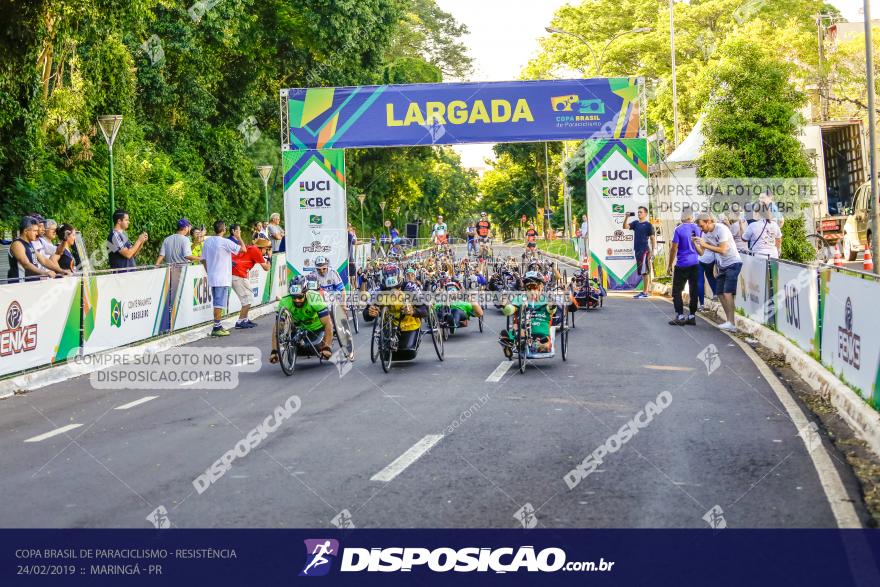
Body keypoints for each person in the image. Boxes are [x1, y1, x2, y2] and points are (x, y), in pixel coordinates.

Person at [363, 264, 428, 361]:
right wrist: (370, 312)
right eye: (389, 290)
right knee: (385, 356)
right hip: (389, 326)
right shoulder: (378, 290)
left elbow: (425, 310)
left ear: (400, 281)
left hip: (409, 324)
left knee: (408, 352)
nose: (393, 292)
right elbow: (366, 315)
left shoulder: (410, 288)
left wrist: (413, 311)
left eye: (397, 288)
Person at [694, 212, 742, 332]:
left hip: (733, 262)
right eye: (699, 227)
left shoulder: (721, 229)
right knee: (719, 292)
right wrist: (695, 244)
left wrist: (705, 244)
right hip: (722, 265)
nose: (700, 229)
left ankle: (732, 323)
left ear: (708, 222)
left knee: (727, 293)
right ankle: (729, 321)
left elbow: (723, 250)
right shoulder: (705, 234)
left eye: (701, 226)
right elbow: (702, 253)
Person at [269, 276, 334, 364]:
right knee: (301, 348)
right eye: (294, 297)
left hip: (317, 329)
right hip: (298, 329)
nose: (297, 300)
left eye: (300, 297)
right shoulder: (285, 302)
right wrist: (274, 350)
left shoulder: (315, 298)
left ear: (306, 293)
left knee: (317, 348)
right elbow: (277, 327)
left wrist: (327, 347)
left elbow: (328, 323)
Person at [201, 220, 244, 337]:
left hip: (213, 276)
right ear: (224, 229)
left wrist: (208, 270)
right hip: (222, 277)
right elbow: (243, 249)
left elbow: (203, 259)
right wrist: (239, 237)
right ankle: (216, 327)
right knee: (218, 303)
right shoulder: (225, 242)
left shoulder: (208, 241)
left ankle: (218, 325)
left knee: (217, 302)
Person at [498, 271, 557, 356]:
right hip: (522, 329)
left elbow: (551, 310)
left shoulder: (546, 299)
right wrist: (504, 306)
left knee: (544, 346)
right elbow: (511, 309)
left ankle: (518, 343)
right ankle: (512, 342)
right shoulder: (520, 298)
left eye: (534, 286)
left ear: (541, 286)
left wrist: (552, 306)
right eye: (529, 287)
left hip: (541, 332)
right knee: (519, 331)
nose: (532, 290)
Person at [230, 231, 272, 329]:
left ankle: (245, 319)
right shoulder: (256, 251)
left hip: (238, 273)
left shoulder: (251, 248)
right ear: (261, 248)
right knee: (247, 300)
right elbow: (266, 268)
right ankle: (240, 322)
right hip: (238, 274)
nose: (267, 251)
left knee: (249, 298)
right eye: (266, 249)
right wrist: (269, 257)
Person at [666, 210, 701, 326]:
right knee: (693, 290)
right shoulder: (698, 228)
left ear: (682, 218)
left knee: (677, 290)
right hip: (695, 263)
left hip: (682, 264)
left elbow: (673, 248)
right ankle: (691, 315)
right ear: (691, 217)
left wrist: (670, 264)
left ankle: (680, 315)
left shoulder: (679, 229)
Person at [7, 216, 56, 282]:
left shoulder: (30, 244)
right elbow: (26, 264)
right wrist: (45, 273)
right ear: (26, 231)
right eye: (35, 231)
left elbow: (44, 260)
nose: (36, 233)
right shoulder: (17, 244)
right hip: (20, 285)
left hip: (31, 285)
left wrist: (60, 270)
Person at [623, 206, 656, 298]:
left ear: (645, 214)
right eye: (638, 212)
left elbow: (653, 239)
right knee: (642, 272)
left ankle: (645, 293)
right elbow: (625, 227)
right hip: (637, 251)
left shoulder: (648, 225)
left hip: (645, 251)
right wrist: (626, 217)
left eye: (641, 212)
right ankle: (644, 292)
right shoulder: (635, 223)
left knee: (645, 271)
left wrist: (653, 251)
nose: (639, 214)